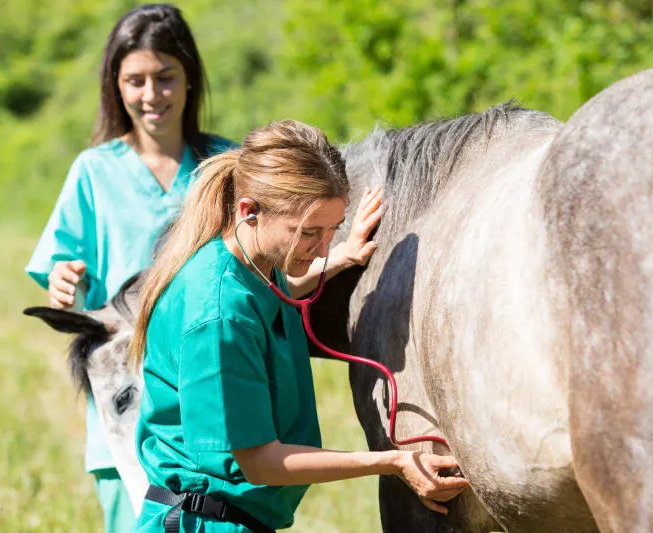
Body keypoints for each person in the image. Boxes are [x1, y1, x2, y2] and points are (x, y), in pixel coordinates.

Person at [25, 5, 381, 531]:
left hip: (213, 404)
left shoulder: (225, 162)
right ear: (114, 86)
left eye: (166, 77)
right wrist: (65, 286)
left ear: (190, 80)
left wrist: (340, 254)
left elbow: (258, 282)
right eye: (136, 80)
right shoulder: (94, 172)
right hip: (136, 400)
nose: (152, 94)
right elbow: (68, 281)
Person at [129, 120, 469, 533]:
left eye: (332, 228)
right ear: (249, 211)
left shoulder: (247, 265)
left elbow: (272, 291)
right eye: (309, 232)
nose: (322, 246)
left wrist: (342, 255)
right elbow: (258, 461)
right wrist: (393, 462)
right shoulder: (216, 318)